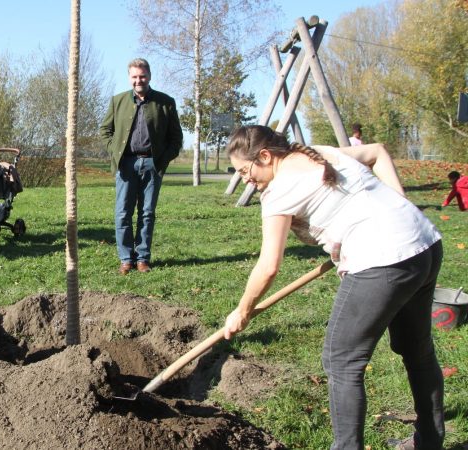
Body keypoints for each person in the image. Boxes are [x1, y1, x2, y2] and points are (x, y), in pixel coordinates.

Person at [223, 125, 444, 450]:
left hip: (383, 261)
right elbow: (378, 151)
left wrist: (242, 310)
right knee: (417, 352)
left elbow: (268, 266)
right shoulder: (321, 152)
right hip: (424, 244)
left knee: (341, 361)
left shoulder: (278, 191)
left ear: (265, 156)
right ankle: (430, 442)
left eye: (245, 170)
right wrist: (400, 205)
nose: (244, 179)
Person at [99, 58, 183, 275]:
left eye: (142, 76)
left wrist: (162, 160)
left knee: (147, 213)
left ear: (149, 76)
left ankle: (143, 258)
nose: (139, 80)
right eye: (135, 77)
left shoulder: (166, 102)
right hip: (125, 164)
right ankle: (126, 259)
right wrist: (114, 150)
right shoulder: (117, 101)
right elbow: (105, 131)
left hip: (152, 164)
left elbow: (176, 138)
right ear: (129, 78)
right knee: (122, 214)